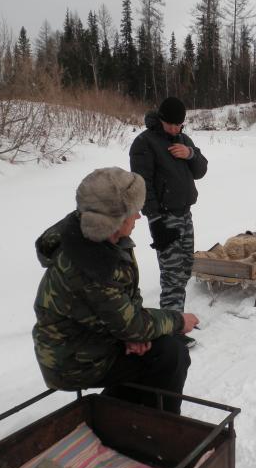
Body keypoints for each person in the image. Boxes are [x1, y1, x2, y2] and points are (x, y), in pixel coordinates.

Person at [32, 167, 199, 414]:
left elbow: (127, 302)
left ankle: (120, 411)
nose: (140, 217)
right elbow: (130, 322)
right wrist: (177, 320)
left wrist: (135, 334)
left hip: (93, 337)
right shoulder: (91, 264)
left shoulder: (103, 238)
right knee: (171, 354)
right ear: (113, 221)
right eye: (133, 212)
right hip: (70, 359)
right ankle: (161, 430)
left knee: (158, 346)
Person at [129, 97, 208, 349]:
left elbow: (201, 170)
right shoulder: (144, 143)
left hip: (185, 214)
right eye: (170, 124)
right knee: (172, 275)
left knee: (185, 268)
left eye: (179, 125)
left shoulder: (184, 140)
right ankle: (171, 334)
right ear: (160, 119)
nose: (175, 129)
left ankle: (176, 321)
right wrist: (155, 220)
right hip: (164, 217)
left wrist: (190, 154)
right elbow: (142, 185)